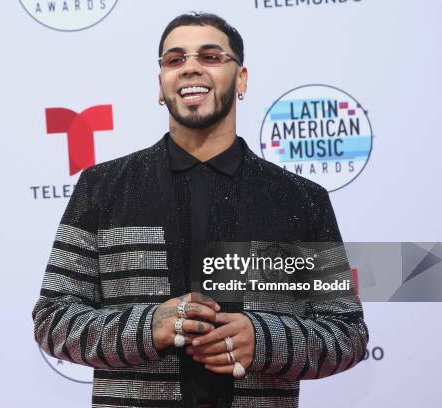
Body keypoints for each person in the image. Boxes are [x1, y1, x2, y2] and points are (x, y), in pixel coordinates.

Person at [32, 12, 369, 408]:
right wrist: (148, 327)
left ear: (241, 79)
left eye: (210, 56)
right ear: (161, 85)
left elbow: (347, 334)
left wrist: (263, 340)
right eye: (174, 60)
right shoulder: (103, 188)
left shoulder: (298, 199)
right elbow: (53, 320)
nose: (190, 67)